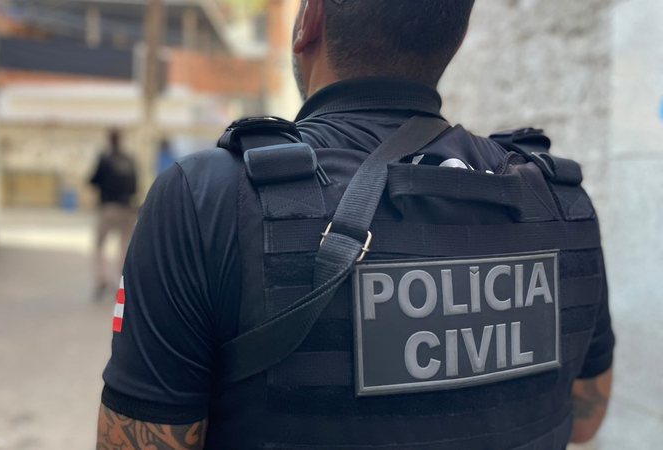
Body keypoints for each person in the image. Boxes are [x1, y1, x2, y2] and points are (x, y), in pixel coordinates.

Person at [97, 1, 615, 449]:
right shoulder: (561, 201)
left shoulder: (207, 197)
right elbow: (586, 419)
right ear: (454, 39)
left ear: (310, 20)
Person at [89, 129, 138, 301]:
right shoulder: (130, 159)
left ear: (109, 140)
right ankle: (122, 283)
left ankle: (101, 279)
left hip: (108, 207)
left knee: (100, 245)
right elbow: (135, 187)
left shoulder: (105, 159)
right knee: (124, 247)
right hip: (127, 208)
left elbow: (93, 180)